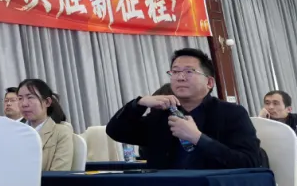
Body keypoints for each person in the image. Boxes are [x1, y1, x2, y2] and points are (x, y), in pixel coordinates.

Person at [106, 48, 264, 169]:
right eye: (175, 72)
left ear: (209, 82)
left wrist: (198, 138)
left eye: (189, 71)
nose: (180, 77)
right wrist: (139, 103)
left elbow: (250, 162)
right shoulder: (162, 115)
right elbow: (116, 131)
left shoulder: (231, 113)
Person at [16, 79, 74, 171]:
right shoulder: (14, 131)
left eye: (30, 97)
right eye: (20, 98)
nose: (24, 104)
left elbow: (59, 174)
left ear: (47, 102)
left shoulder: (61, 133)